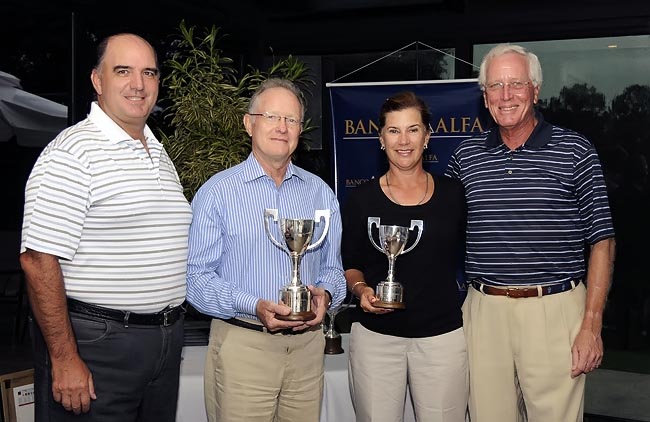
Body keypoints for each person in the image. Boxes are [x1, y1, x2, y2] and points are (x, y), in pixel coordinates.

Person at [19, 33, 192, 421]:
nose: (139, 84)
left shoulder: (157, 150)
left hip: (162, 343)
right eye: (123, 71)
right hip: (97, 346)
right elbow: (37, 259)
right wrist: (64, 359)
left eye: (149, 72)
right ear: (98, 81)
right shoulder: (71, 153)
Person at [445, 43, 616, 421]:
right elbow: (441, 229)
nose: (506, 96)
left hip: (554, 311)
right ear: (484, 95)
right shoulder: (465, 157)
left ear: (535, 90)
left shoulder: (576, 151)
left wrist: (591, 324)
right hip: (484, 312)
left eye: (516, 84)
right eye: (495, 86)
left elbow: (602, 241)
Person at [186, 78, 347, 422]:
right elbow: (196, 281)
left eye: (291, 120)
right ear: (249, 123)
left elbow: (333, 268)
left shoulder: (319, 193)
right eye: (272, 116)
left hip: (306, 348)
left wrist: (327, 295)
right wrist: (253, 305)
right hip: (244, 345)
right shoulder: (218, 193)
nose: (282, 127)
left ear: (300, 131)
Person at [341, 91, 468, 422]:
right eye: (394, 130)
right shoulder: (361, 199)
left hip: (442, 339)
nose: (404, 140)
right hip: (376, 341)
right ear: (381, 138)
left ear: (427, 136)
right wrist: (361, 290)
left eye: (413, 129)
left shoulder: (454, 195)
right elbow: (351, 263)